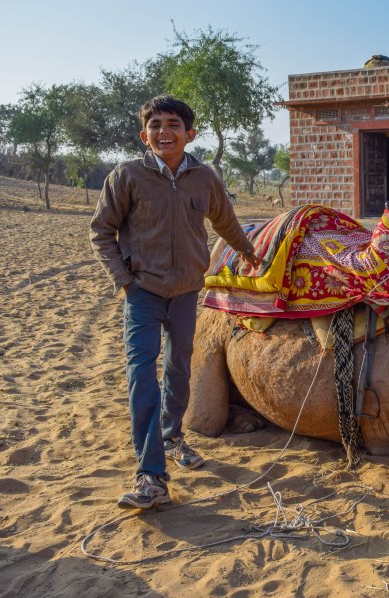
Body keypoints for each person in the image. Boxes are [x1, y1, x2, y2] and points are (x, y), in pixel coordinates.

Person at [89, 95, 262, 510]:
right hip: (142, 293)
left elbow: (225, 222)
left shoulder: (204, 178)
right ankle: (150, 475)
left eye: (172, 125)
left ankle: (172, 436)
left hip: (186, 292)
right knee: (141, 375)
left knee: (178, 369)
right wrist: (125, 282)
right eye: (155, 125)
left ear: (190, 133)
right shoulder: (127, 176)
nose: (163, 132)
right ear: (143, 134)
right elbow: (101, 232)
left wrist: (251, 254)